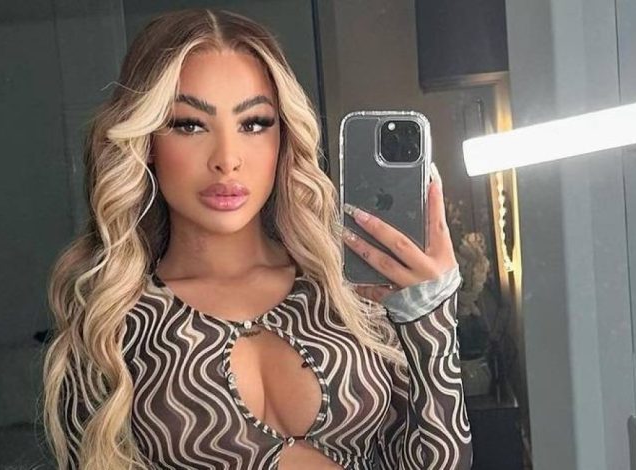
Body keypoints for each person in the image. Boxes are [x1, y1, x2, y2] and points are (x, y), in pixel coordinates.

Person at [42, 8, 472, 470]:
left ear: (283, 136)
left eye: (253, 123)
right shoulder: (111, 327)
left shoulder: (349, 294)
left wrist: (430, 314)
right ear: (145, 140)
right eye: (189, 124)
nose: (227, 159)